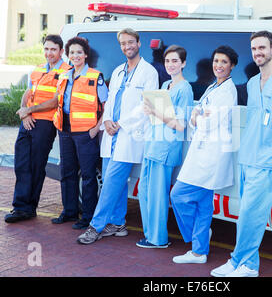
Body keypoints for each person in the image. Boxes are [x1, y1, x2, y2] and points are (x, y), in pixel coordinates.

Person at [211, 31, 272, 277]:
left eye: (262, 47)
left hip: (267, 160)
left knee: (252, 215)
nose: (257, 53)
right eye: (253, 49)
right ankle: (240, 261)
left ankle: (247, 264)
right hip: (247, 157)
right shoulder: (252, 83)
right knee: (245, 214)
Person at [77, 28, 159, 244]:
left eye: (130, 42)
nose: (127, 46)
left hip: (129, 136)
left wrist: (120, 124)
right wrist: (105, 122)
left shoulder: (149, 72)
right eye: (123, 43)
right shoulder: (118, 72)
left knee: (110, 184)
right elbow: (110, 102)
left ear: (139, 43)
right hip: (111, 136)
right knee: (118, 184)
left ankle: (95, 226)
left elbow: (147, 106)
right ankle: (118, 223)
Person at [170, 46, 238, 264]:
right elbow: (194, 116)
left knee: (178, 195)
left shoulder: (227, 91)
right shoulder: (213, 87)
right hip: (202, 150)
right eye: (216, 61)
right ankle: (199, 251)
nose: (218, 65)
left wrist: (198, 116)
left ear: (232, 66)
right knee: (203, 204)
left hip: (211, 155)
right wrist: (198, 116)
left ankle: (197, 237)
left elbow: (207, 123)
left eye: (224, 62)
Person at [4, 35, 71, 223]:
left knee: (35, 165)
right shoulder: (39, 69)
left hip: (45, 123)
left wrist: (30, 111)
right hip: (28, 120)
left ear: (61, 51)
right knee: (21, 164)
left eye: (53, 49)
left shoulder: (66, 71)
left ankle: (27, 208)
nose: (49, 53)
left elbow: (57, 99)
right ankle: (20, 206)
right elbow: (28, 92)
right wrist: (25, 114)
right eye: (46, 49)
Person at [136, 45, 194, 249]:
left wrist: (156, 111)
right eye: (167, 61)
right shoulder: (167, 84)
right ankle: (151, 233)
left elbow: (181, 124)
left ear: (184, 63)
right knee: (145, 190)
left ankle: (158, 238)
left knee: (158, 195)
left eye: (175, 61)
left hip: (166, 147)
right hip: (154, 144)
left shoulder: (184, 89)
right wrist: (150, 110)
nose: (170, 65)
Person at [51, 36, 108, 230]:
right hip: (65, 130)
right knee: (67, 173)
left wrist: (96, 128)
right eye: (72, 52)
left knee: (88, 175)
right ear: (68, 55)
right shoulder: (65, 75)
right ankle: (69, 212)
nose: (75, 55)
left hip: (86, 132)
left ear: (85, 55)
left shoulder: (95, 76)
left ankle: (88, 216)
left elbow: (106, 105)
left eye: (79, 52)